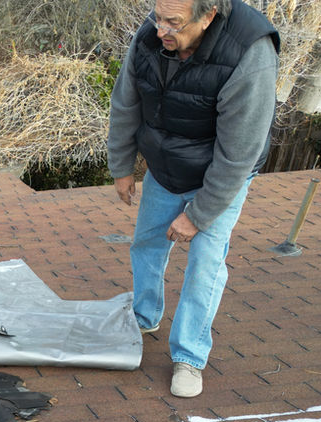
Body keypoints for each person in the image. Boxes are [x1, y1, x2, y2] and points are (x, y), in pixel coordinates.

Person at [107, 0, 279, 397]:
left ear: (209, 15)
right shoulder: (155, 32)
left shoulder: (250, 52)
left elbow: (239, 154)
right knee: (147, 243)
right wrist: (121, 166)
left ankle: (189, 356)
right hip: (165, 166)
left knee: (205, 263)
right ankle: (144, 315)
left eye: (174, 23)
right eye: (157, 18)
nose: (161, 30)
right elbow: (126, 101)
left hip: (220, 175)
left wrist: (198, 215)